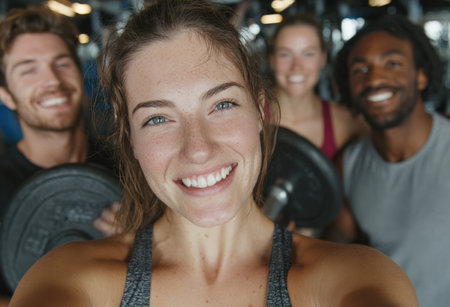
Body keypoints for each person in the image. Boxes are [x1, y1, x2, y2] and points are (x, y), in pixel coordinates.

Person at [9, 1, 418, 306]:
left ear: (261, 111)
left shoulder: (355, 278)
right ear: (130, 140)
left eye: (222, 105)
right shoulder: (69, 278)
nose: (198, 149)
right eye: (157, 119)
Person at [0, 6, 121, 303]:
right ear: (5, 95)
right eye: (28, 69)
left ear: (80, 74)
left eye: (62, 63)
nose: (52, 80)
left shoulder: (132, 166)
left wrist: (144, 243)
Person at [328, 14, 450, 306]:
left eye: (392, 64)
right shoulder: (349, 164)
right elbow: (337, 246)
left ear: (421, 76)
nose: (374, 79)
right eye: (361, 69)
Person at [268, 13, 367, 161]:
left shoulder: (347, 122)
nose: (296, 67)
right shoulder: (250, 115)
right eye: (285, 55)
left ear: (322, 58)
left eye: (308, 54)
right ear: (272, 60)